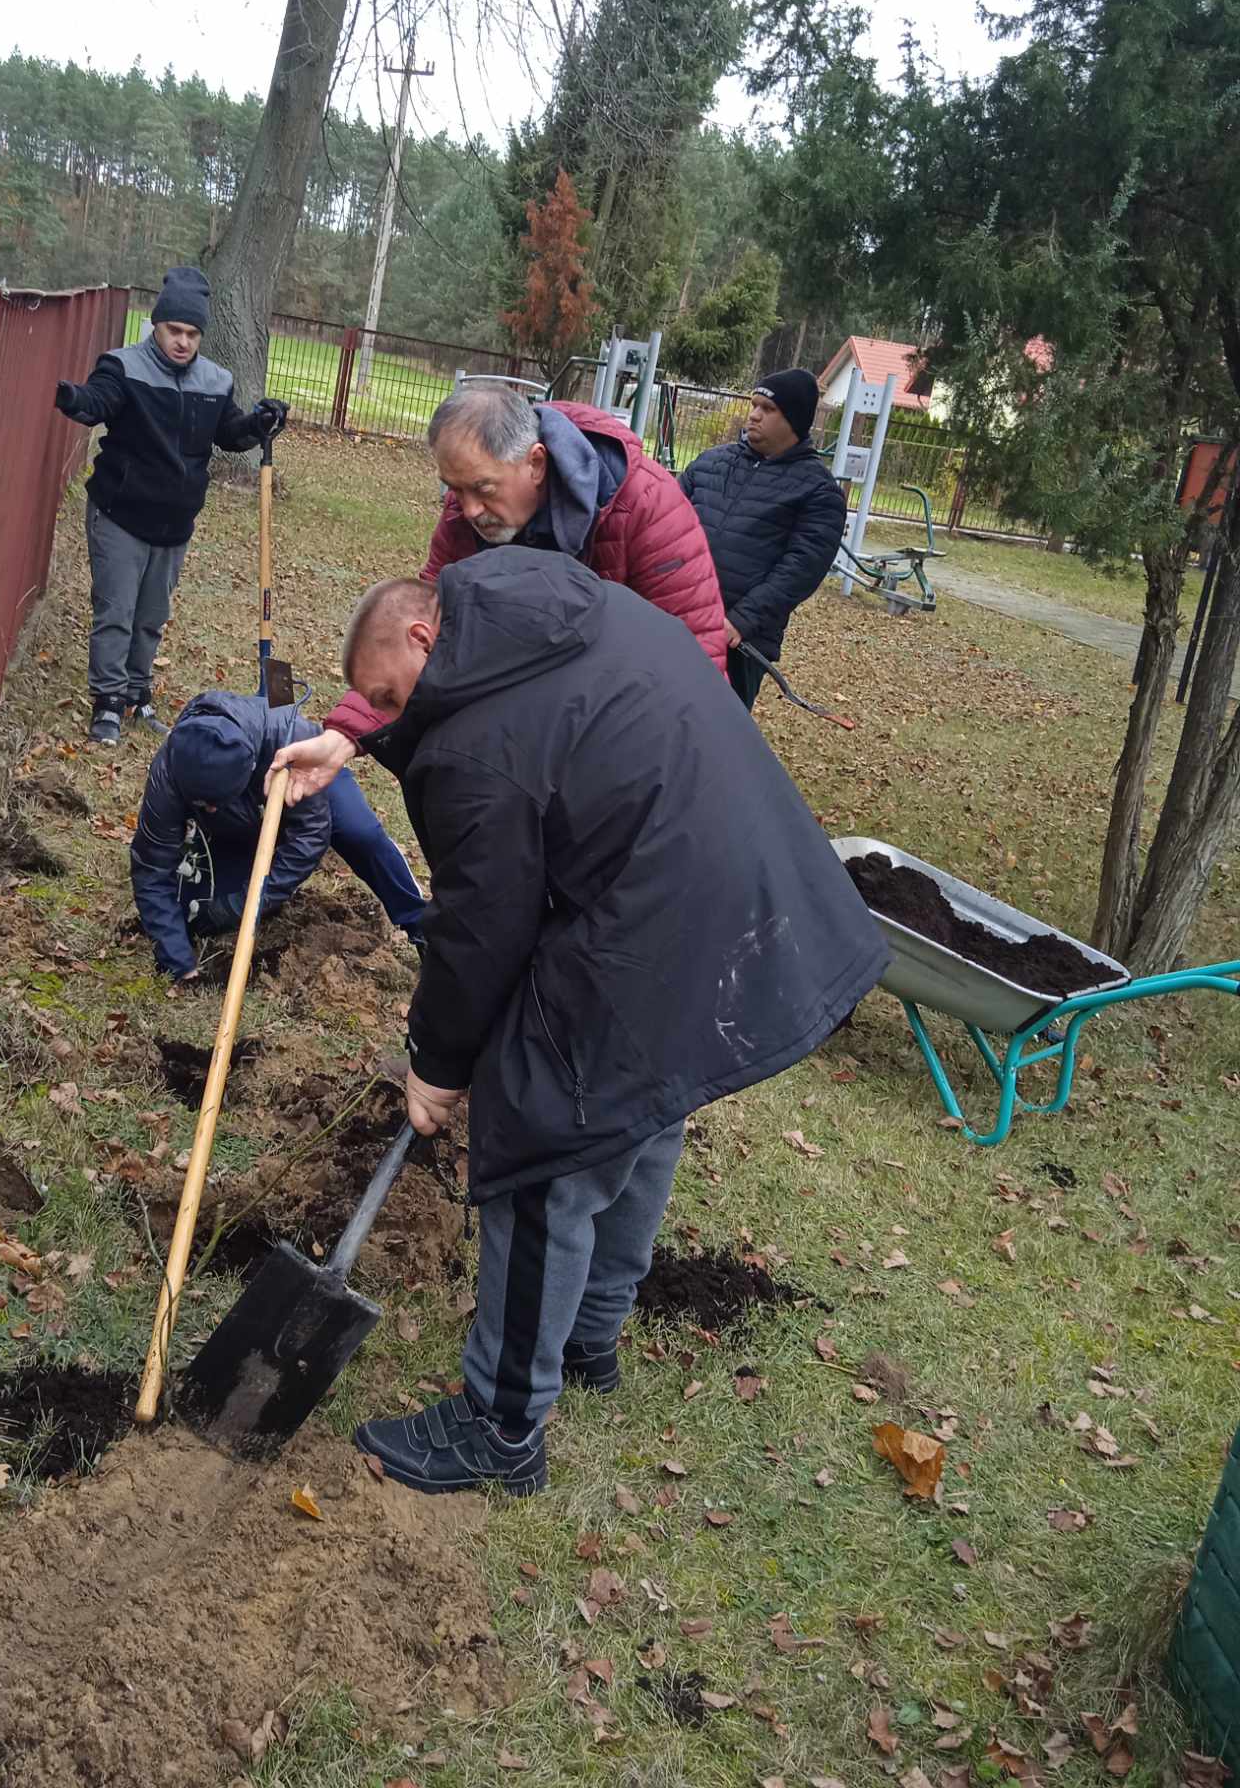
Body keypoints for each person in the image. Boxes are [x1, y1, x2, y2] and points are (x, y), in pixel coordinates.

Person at [275, 549, 888, 1496]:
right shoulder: (545, 604)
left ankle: (501, 1426)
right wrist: (349, 734)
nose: (386, 719)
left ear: (426, 637)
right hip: (751, 878)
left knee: (546, 1136)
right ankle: (591, 1334)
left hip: (667, 908)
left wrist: (438, 1062)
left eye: (387, 700)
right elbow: (463, 749)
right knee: (640, 1101)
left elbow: (483, 930)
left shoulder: (477, 751)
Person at [271, 382, 727, 792]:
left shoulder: (646, 507)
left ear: (535, 463)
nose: (469, 509)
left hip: (628, 744)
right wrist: (343, 736)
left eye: (483, 488)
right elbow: (422, 635)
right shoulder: (466, 517)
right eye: (455, 489)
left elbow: (696, 662)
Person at [54, 265, 287, 747]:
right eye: (174, 330)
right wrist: (75, 399)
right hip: (120, 512)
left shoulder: (215, 380)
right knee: (116, 610)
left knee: (151, 616)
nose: (182, 342)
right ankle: (107, 702)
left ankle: (137, 695)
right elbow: (99, 401)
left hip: (175, 521)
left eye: (192, 334)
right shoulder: (123, 367)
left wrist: (259, 423)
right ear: (156, 325)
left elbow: (229, 432)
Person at [131, 690, 425, 983]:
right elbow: (152, 867)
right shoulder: (170, 772)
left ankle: (422, 926)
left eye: (215, 802)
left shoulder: (289, 738)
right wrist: (181, 966)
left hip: (310, 781)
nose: (209, 808)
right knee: (200, 912)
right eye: (202, 805)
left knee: (360, 833)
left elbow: (310, 836)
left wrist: (247, 902)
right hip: (235, 825)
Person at [679, 367, 847, 712]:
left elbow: (800, 569)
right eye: (754, 405)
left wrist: (741, 621)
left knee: (715, 731)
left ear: (794, 420)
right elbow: (665, 521)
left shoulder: (818, 490)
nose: (754, 415)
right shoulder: (711, 463)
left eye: (768, 409)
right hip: (676, 618)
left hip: (736, 642)